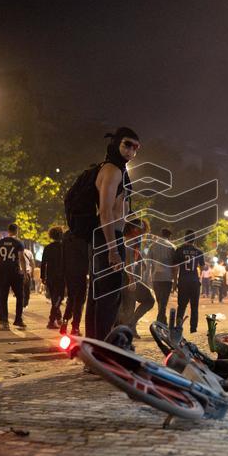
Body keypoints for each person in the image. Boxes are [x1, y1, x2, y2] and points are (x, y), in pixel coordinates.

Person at [85, 127, 140, 341]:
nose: (131, 151)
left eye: (136, 147)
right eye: (127, 144)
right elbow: (105, 211)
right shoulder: (112, 170)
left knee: (98, 297)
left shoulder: (115, 169)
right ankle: (100, 352)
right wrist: (112, 249)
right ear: (116, 143)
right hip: (107, 239)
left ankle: (94, 352)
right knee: (108, 298)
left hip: (106, 238)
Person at [116, 219, 155, 338]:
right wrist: (132, 280)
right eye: (141, 229)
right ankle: (129, 326)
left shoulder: (132, 240)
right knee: (146, 301)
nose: (143, 232)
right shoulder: (129, 242)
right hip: (127, 278)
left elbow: (134, 255)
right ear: (134, 229)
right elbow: (128, 262)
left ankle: (128, 327)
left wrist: (141, 259)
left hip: (127, 278)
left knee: (129, 305)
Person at [0, 223, 27, 331]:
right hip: (15, 271)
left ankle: (4, 321)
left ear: (8, 231)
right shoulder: (18, 242)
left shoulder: (0, 242)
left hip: (3, 271)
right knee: (20, 295)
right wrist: (24, 272)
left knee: (3, 296)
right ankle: (18, 319)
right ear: (16, 231)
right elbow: (21, 258)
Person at [172, 230, 204, 333]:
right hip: (194, 281)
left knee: (181, 306)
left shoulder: (179, 250)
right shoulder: (199, 251)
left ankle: (178, 327)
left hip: (183, 281)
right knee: (194, 307)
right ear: (194, 239)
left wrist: (175, 282)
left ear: (185, 238)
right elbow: (202, 267)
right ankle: (193, 329)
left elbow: (175, 268)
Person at [148, 227, 175, 325]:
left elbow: (148, 263)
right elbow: (174, 265)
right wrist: (175, 281)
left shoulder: (152, 246)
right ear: (169, 236)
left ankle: (163, 321)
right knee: (163, 302)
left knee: (160, 301)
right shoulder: (171, 246)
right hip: (167, 278)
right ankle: (160, 322)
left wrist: (148, 278)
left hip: (156, 278)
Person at [40, 226, 66, 329]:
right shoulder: (63, 247)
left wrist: (43, 276)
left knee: (54, 299)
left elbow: (43, 263)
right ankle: (51, 321)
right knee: (58, 299)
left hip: (50, 277)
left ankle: (58, 318)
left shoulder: (48, 248)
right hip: (61, 277)